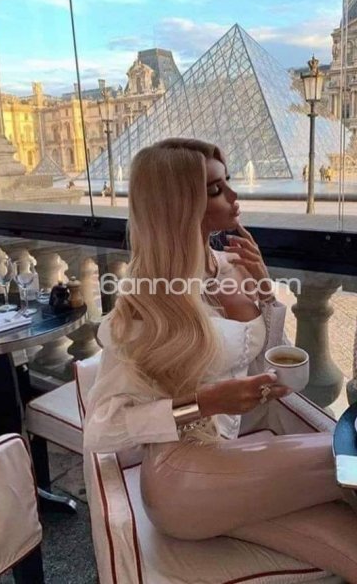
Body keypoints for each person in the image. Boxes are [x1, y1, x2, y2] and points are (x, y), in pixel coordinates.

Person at [84, 138, 357, 581]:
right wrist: (206, 403)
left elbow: (264, 368)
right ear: (179, 206)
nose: (233, 194)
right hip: (179, 478)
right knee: (347, 454)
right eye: (215, 189)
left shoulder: (232, 266)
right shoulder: (146, 305)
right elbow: (100, 429)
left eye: (227, 180)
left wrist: (264, 289)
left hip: (228, 472)